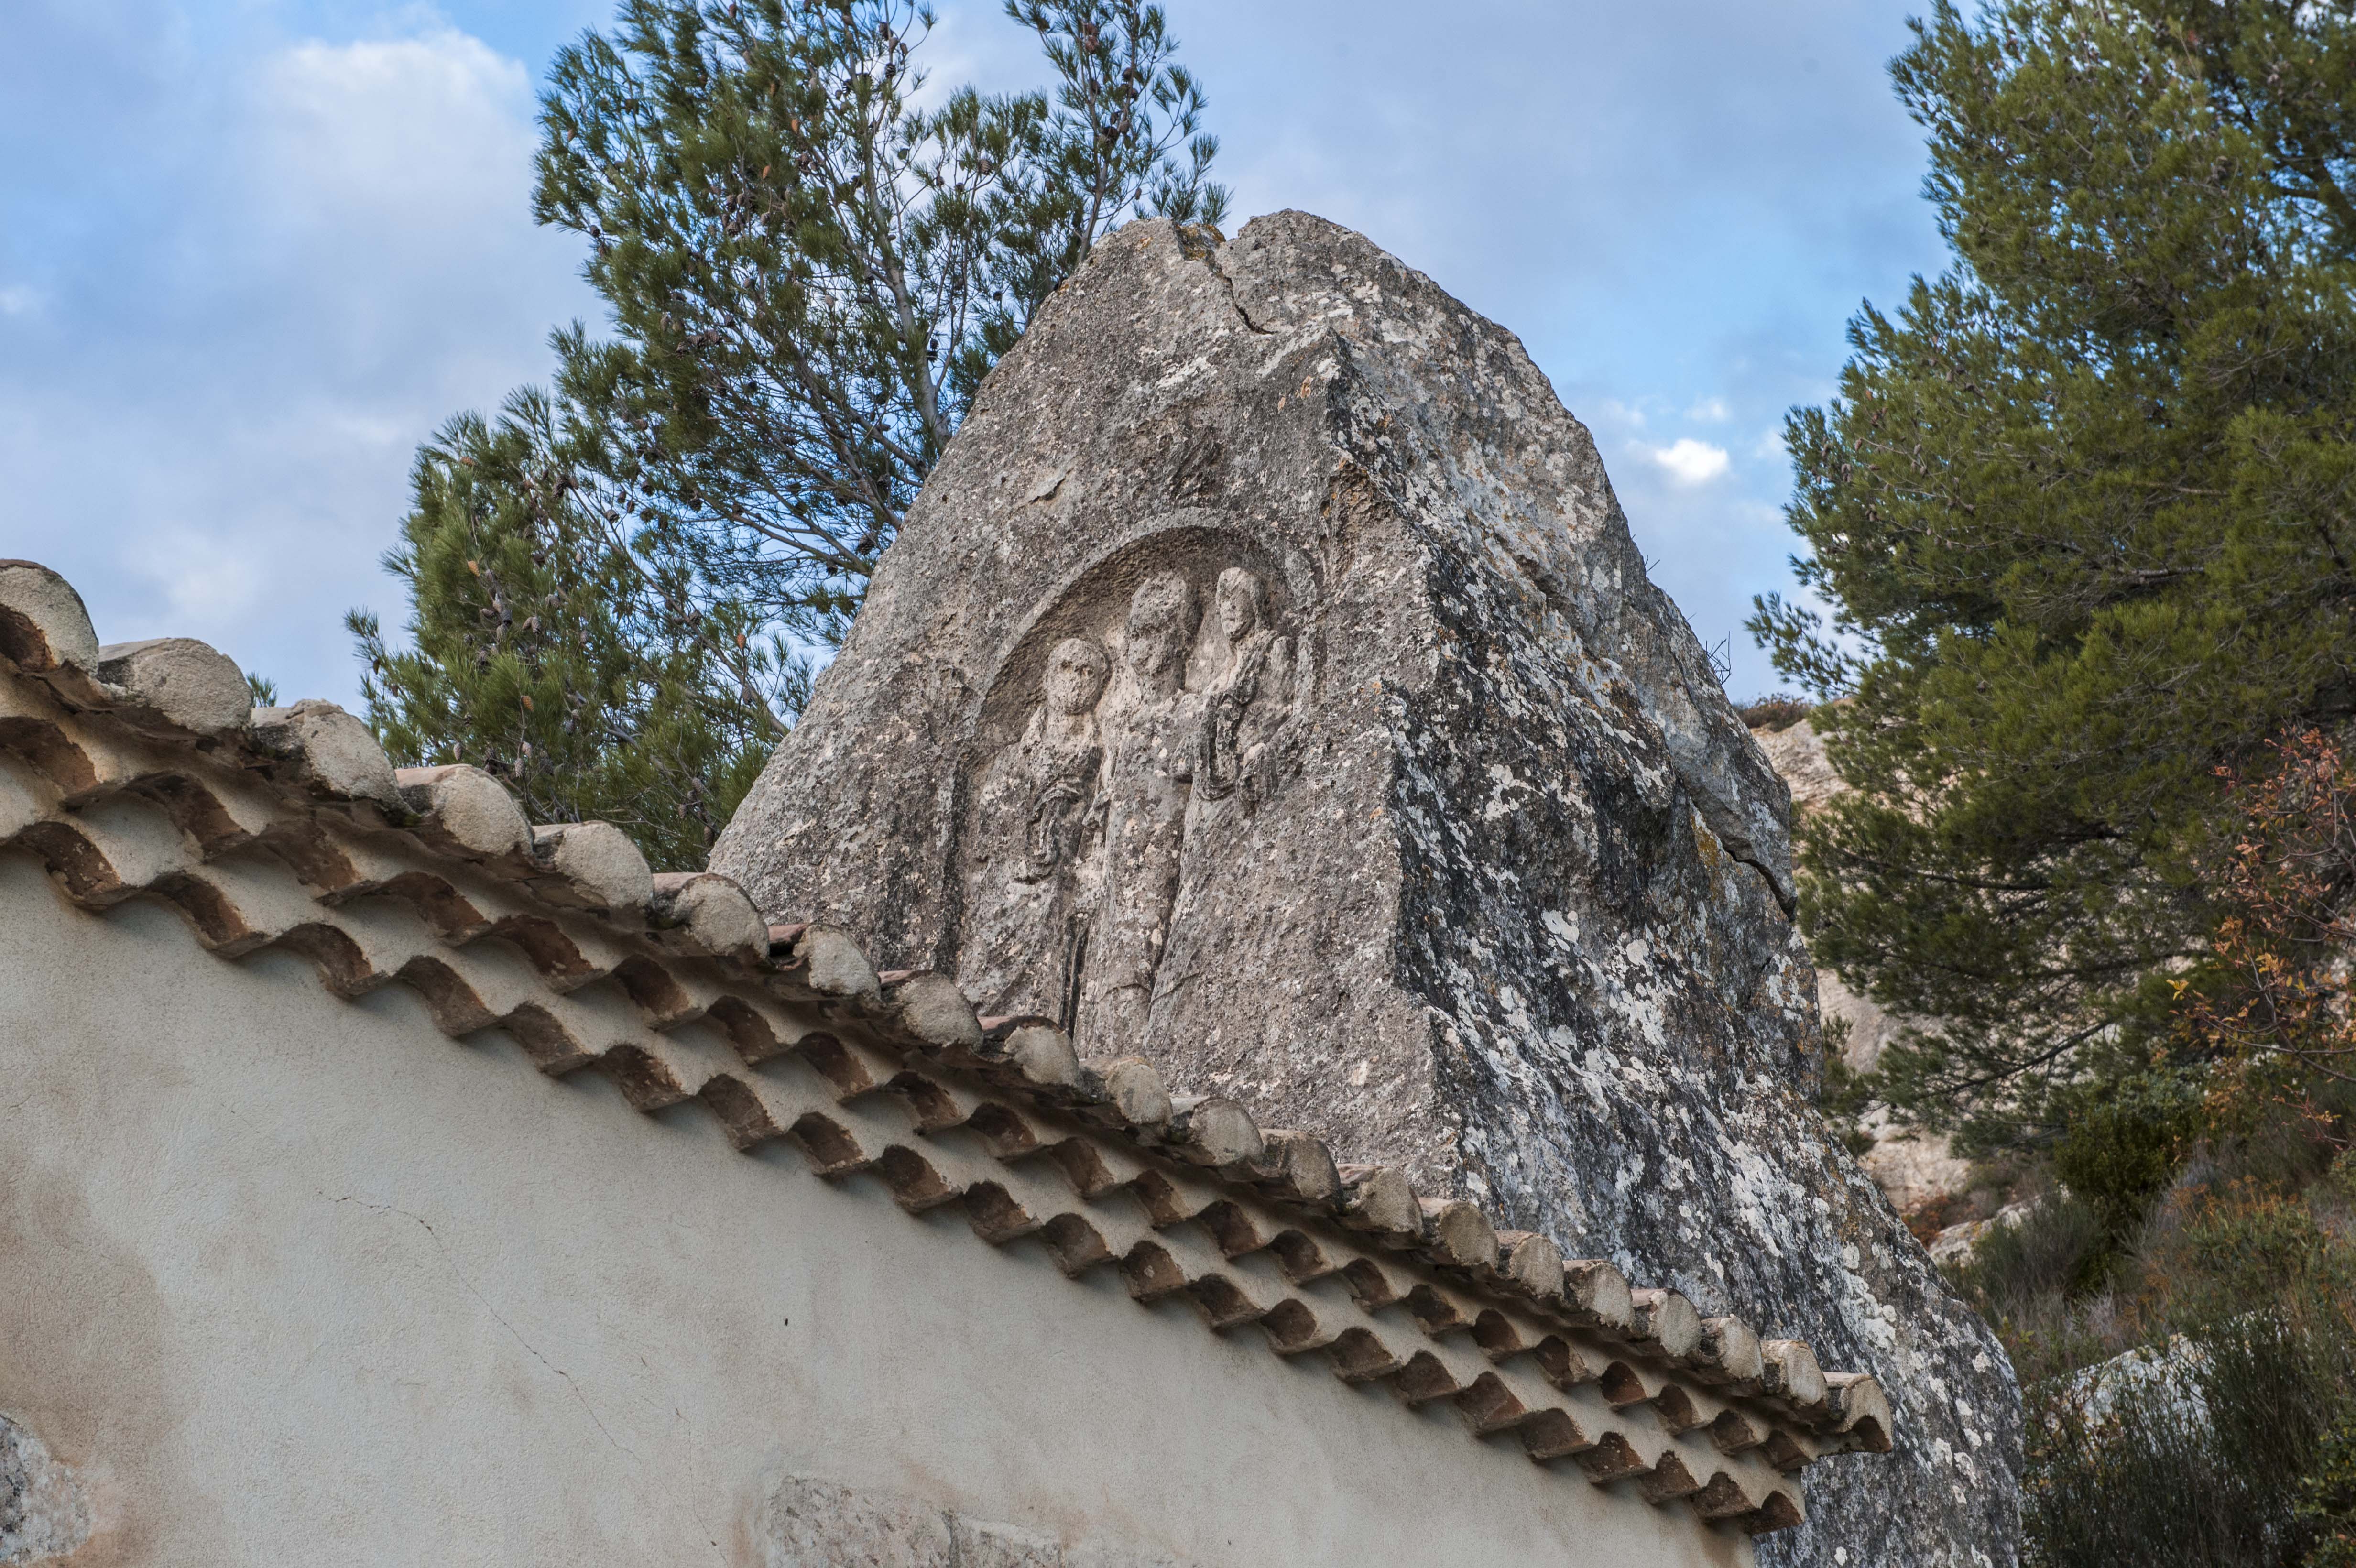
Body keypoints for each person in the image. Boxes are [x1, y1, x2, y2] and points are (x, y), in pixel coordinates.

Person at [1080, 572, 1200, 1051]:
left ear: (1180, 642)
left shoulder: (1191, 710)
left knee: (1139, 959)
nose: (1140, 648)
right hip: (1118, 863)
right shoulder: (1127, 726)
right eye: (1135, 635)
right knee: (1111, 957)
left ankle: (1135, 1053)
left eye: (1153, 634)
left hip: (1162, 852)